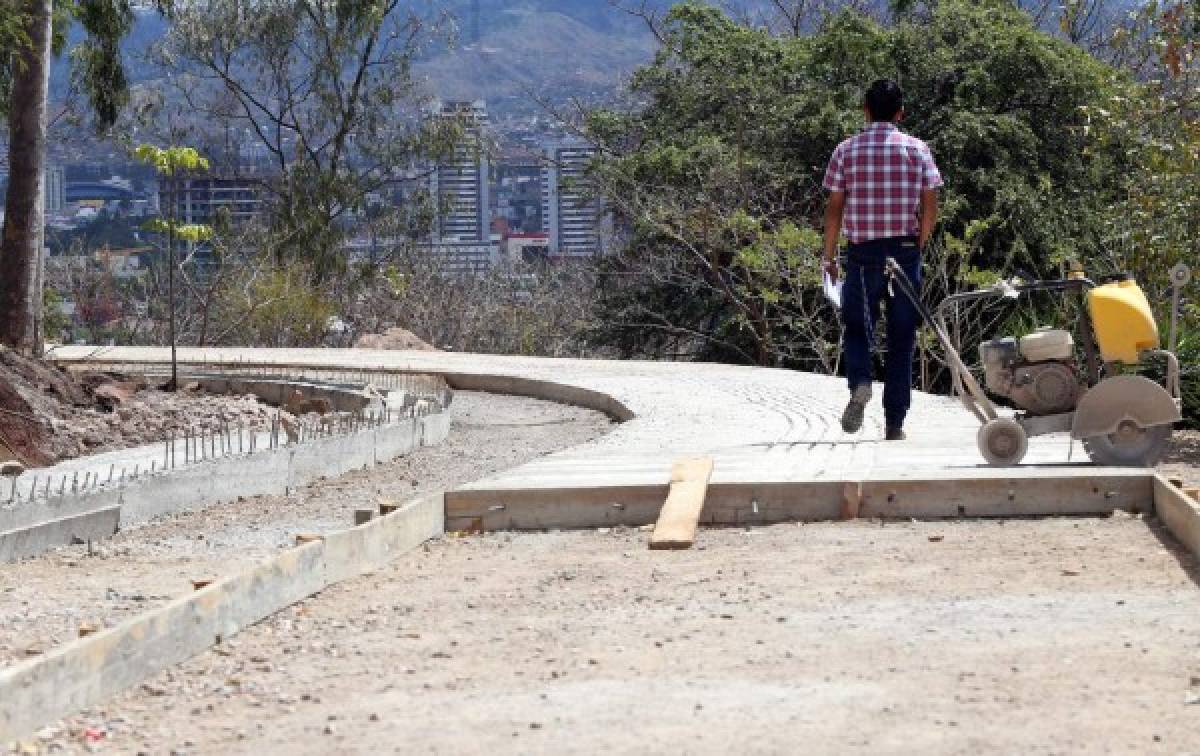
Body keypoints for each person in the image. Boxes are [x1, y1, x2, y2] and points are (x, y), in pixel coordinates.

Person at [822, 78, 942, 441]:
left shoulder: (846, 150)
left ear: (865, 110)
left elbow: (834, 208)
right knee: (902, 339)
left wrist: (829, 256)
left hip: (862, 255)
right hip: (905, 252)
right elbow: (931, 206)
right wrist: (917, 244)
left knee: (858, 328)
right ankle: (895, 424)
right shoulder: (917, 149)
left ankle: (860, 381)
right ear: (901, 113)